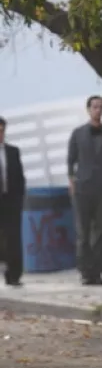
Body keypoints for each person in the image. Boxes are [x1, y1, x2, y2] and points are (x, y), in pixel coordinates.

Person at [67, 96, 102, 286]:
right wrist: (72, 181)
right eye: (95, 107)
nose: (98, 110)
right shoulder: (78, 133)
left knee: (100, 232)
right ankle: (85, 271)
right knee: (83, 233)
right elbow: (71, 160)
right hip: (83, 187)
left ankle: (98, 271)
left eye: (101, 107)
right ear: (88, 109)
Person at [0, 116, 26, 287]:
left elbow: (19, 176)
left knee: (14, 237)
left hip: (11, 200)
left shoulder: (12, 151)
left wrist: (20, 197)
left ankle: (14, 275)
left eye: (2, 131)